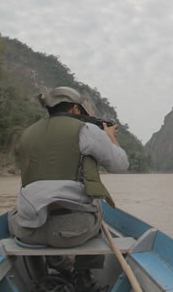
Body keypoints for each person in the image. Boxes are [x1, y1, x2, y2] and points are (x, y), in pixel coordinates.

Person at [8, 86, 129, 291]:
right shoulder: (86, 130)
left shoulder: (26, 134)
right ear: (74, 109)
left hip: (28, 230)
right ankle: (83, 275)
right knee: (97, 205)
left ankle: (42, 276)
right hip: (73, 231)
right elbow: (121, 165)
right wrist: (109, 137)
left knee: (15, 211)